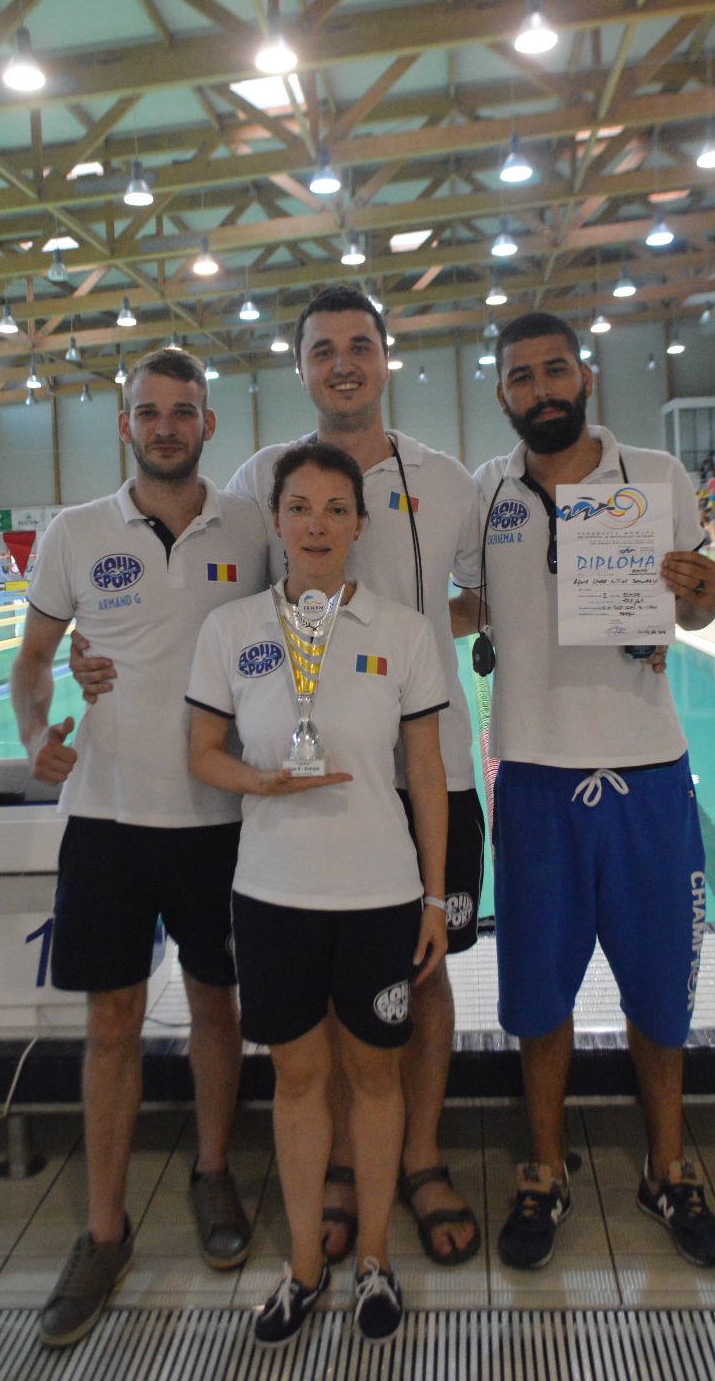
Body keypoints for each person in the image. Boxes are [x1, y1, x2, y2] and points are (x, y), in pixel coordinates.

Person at [452, 311, 715, 1273]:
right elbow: (469, 602)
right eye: (521, 376)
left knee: (659, 991)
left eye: (554, 370)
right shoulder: (487, 493)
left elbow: (696, 609)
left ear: (584, 378)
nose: (540, 389)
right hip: (534, 774)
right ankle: (543, 1168)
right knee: (538, 994)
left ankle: (668, 1169)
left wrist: (699, 591)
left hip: (647, 770)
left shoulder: (655, 475)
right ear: (503, 393)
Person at [10, 348, 268, 1348]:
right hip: (108, 818)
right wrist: (36, 732)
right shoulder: (75, 532)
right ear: (125, 424)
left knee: (217, 1006)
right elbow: (34, 660)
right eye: (148, 412)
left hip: (219, 816)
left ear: (209, 424)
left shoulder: (250, 526)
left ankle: (212, 1172)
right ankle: (105, 1230)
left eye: (183, 411)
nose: (166, 426)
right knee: (111, 1022)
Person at [223, 286, 485, 1268]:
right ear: (299, 367)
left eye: (359, 345)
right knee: (328, 982)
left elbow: (485, 595)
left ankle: (418, 1157)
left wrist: (411, 651)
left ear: (386, 357)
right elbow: (230, 609)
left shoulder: (445, 479)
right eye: (323, 348)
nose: (343, 363)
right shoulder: (259, 478)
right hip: (317, 776)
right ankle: (337, 1162)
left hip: (433, 767)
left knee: (426, 969)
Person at [186, 441, 449, 1347]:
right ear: (276, 520)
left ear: (360, 524)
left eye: (337, 509)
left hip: (380, 894)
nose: (317, 525)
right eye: (299, 508)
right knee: (297, 1080)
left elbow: (425, 772)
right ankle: (303, 1266)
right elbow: (202, 753)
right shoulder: (231, 630)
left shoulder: (402, 632)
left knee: (375, 1076)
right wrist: (260, 782)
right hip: (272, 893)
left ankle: (373, 1257)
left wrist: (434, 899)